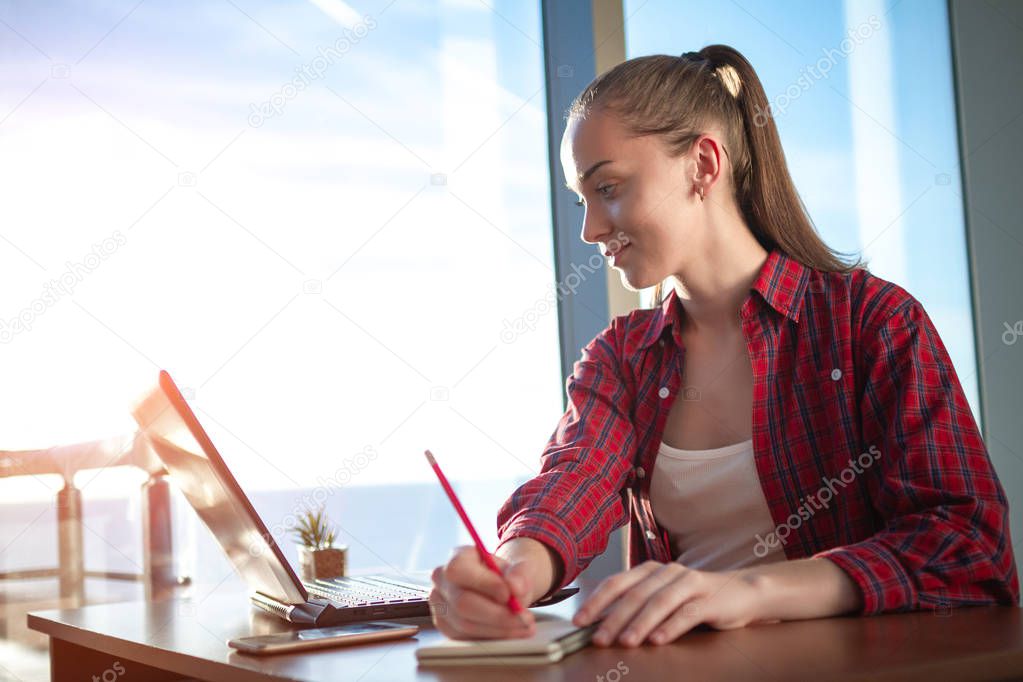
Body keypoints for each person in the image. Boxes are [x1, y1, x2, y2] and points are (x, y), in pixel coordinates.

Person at [428, 44, 1019, 648]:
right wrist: (513, 569)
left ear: (703, 165)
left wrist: (752, 591)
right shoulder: (620, 357)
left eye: (607, 187)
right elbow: (572, 480)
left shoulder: (873, 322)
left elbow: (969, 544)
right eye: (581, 200)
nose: (590, 230)